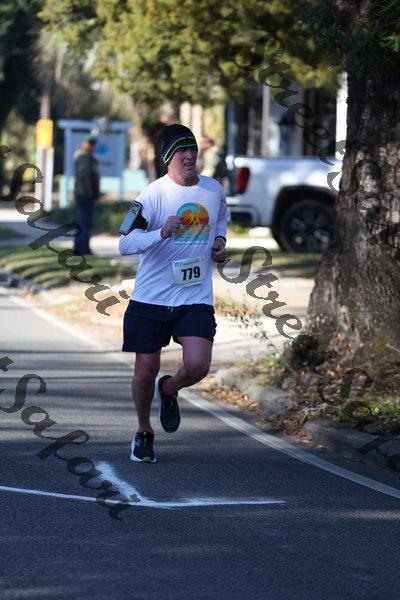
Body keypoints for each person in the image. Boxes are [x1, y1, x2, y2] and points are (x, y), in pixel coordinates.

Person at [119, 123, 228, 462]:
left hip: (193, 296)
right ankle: (143, 430)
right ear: (168, 157)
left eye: (192, 148)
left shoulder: (213, 190)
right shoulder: (152, 195)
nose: (189, 155)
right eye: (181, 150)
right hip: (151, 298)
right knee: (144, 371)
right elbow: (124, 243)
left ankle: (170, 389)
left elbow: (220, 218)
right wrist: (161, 233)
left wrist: (220, 241)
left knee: (198, 365)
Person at [73, 136, 100, 255]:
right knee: (84, 222)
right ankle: (83, 249)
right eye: (90, 143)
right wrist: (90, 192)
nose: (92, 146)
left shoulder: (86, 156)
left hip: (84, 194)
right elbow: (84, 176)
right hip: (85, 195)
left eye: (93, 144)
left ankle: (80, 248)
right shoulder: (84, 157)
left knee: (83, 221)